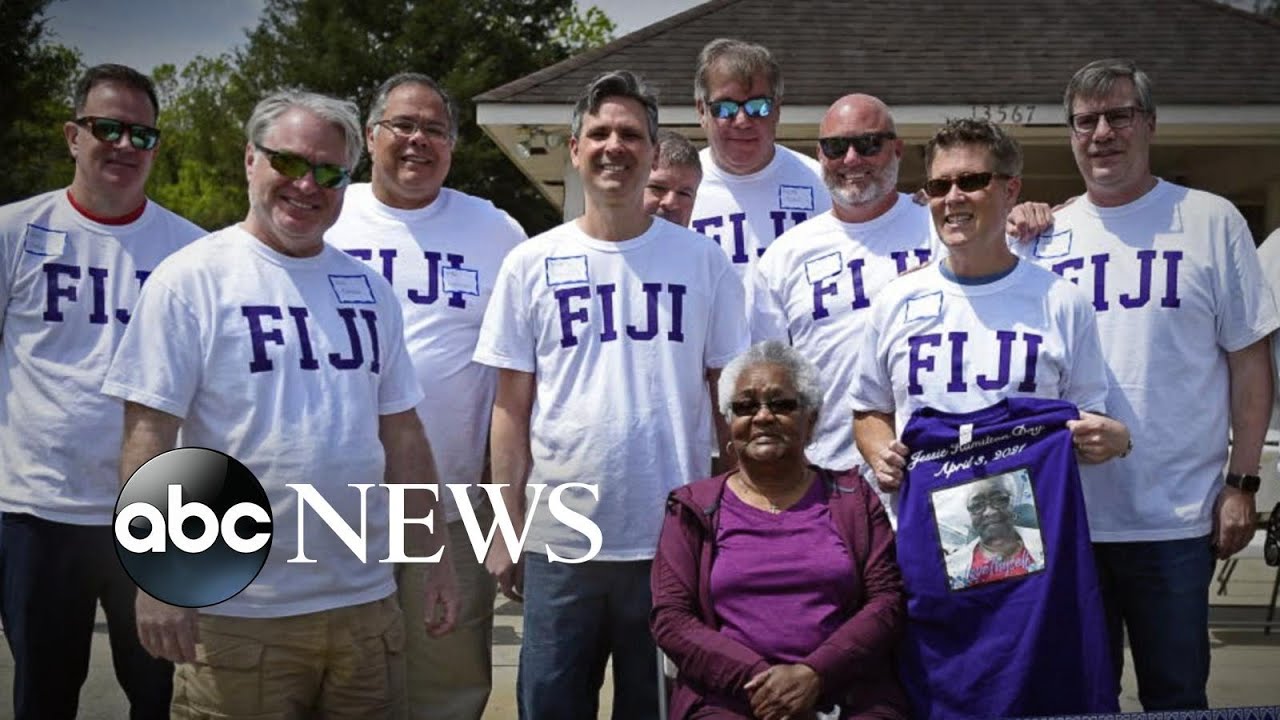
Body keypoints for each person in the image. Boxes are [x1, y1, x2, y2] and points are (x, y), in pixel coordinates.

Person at [102, 89, 459, 718]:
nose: (307, 185)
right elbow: (148, 432)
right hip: (240, 613)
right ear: (250, 159)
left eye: (328, 172)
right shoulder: (192, 279)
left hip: (364, 611)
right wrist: (156, 576)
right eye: (289, 162)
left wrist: (433, 561)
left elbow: (403, 435)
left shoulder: (369, 291)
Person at [475, 70, 748, 719]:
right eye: (598, 132)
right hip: (560, 540)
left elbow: (729, 402)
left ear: (654, 151)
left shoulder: (702, 263)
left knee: (654, 710)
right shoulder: (531, 263)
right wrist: (504, 525)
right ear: (574, 149)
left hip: (670, 542)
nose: (613, 145)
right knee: (550, 707)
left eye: (630, 133)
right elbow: (510, 410)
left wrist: (737, 523)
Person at [1017, 58, 1279, 711]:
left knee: (1177, 695)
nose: (1101, 133)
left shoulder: (1210, 221)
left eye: (1118, 116)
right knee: (1080, 696)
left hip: (1176, 520)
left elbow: (1251, 365)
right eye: (1085, 121)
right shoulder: (1042, 239)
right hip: (1067, 520)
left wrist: (1242, 485)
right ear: (1071, 134)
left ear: (1150, 125)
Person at [851, 118, 1129, 719]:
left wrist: (1109, 436)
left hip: (1036, 559)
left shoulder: (1060, 300)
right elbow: (868, 410)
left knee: (1039, 693)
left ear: (1009, 189)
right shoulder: (896, 301)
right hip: (927, 545)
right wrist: (877, 447)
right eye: (939, 185)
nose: (952, 198)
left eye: (972, 181)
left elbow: (1093, 414)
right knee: (937, 694)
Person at [0, 63, 204, 720]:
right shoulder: (12, 233)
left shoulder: (192, 253)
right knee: (43, 693)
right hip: (37, 512)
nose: (123, 146)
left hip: (157, 515)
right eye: (107, 128)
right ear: (72, 134)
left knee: (163, 696)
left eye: (141, 135)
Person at [327, 71, 526, 720]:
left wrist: (504, 508)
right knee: (335, 679)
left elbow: (517, 377)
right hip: (332, 505)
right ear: (369, 136)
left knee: (444, 686)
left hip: (450, 504)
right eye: (402, 126)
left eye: (434, 129)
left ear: (454, 145)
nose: (418, 140)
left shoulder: (495, 232)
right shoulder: (324, 214)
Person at [651, 341, 907, 720]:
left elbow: (886, 602)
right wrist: (763, 683)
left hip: (845, 693)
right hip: (731, 698)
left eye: (782, 404)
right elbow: (671, 619)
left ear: (812, 419)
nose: (763, 416)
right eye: (745, 406)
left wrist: (814, 675)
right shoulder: (693, 508)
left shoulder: (853, 499)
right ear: (729, 423)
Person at [751, 94, 935, 513]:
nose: (852, 158)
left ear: (898, 149)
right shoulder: (785, 256)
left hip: (938, 478)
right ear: (820, 156)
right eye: (836, 147)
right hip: (828, 481)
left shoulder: (940, 228)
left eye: (869, 144)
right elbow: (773, 381)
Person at [689, 38, 830, 304]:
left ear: (777, 110)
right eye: (725, 108)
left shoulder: (820, 183)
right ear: (701, 111)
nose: (742, 121)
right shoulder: (677, 191)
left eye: (758, 107)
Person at [944, 475, 1045, 589]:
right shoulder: (952, 568)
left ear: (1013, 502)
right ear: (969, 514)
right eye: (977, 505)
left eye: (999, 499)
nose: (990, 512)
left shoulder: (1048, 541)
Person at [644, 129, 702, 229]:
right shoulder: (608, 244)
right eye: (658, 188)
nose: (670, 202)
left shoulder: (704, 245)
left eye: (684, 194)